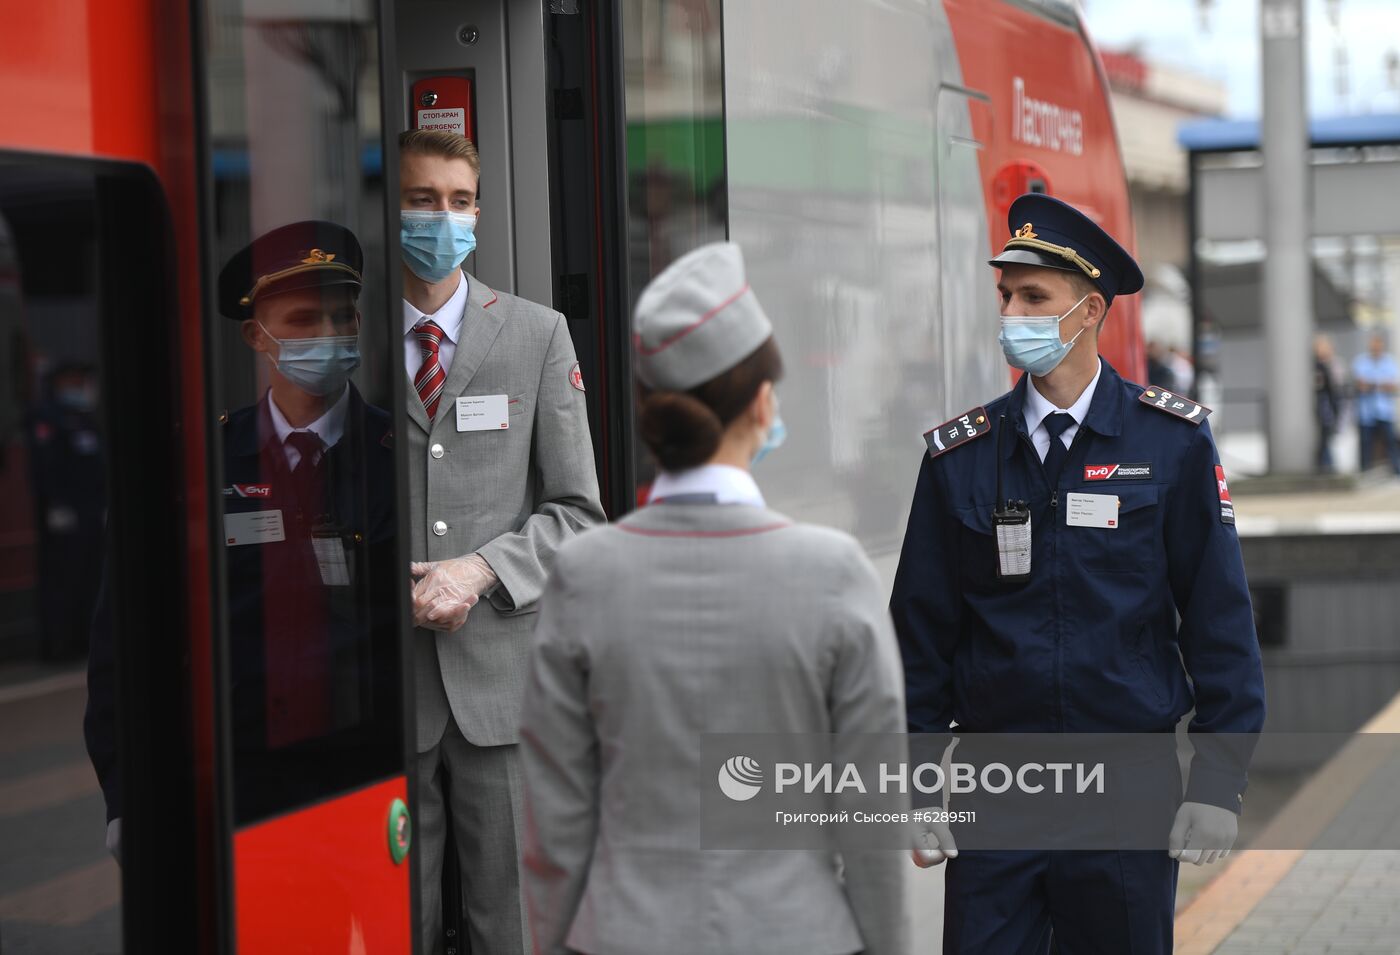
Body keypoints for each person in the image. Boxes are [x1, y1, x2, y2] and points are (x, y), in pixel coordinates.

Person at [890, 194, 1266, 955]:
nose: (1012, 314)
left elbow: (1220, 621)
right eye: (1006, 296)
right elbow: (919, 636)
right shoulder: (960, 457)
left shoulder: (1172, 444)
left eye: (1035, 297)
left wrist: (1218, 783)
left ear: (1090, 309)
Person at [519, 242, 909, 955]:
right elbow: (873, 816)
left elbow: (556, 818)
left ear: (649, 413)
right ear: (764, 404)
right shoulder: (833, 570)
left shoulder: (583, 572)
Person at [86, 220, 397, 855]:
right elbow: (129, 636)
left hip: (382, 771)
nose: (330, 335)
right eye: (305, 320)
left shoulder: (408, 453)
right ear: (258, 336)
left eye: (343, 317)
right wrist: (126, 790)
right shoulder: (195, 465)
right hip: (245, 774)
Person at [396, 129, 605, 954]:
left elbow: (579, 514)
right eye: (421, 200)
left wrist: (481, 568)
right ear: (394, 207)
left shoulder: (536, 334)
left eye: (457, 201)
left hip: (503, 697)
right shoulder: (354, 342)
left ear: (477, 212)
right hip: (389, 699)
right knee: (393, 923)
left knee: (514, 928)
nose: (441, 218)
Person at [1352, 331, 1400, 475]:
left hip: (1384, 411)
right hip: (1366, 412)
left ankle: (1396, 470)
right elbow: (1360, 385)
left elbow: (1393, 386)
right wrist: (1380, 385)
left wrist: (1372, 385)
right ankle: (1365, 471)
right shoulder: (1360, 362)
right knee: (1366, 443)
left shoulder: (1390, 362)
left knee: (1390, 442)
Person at [1314, 334, 1342, 473]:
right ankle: (1325, 466)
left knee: (1328, 435)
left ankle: (1328, 465)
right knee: (1324, 436)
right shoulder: (1317, 366)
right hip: (1324, 404)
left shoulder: (1333, 364)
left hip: (1330, 404)